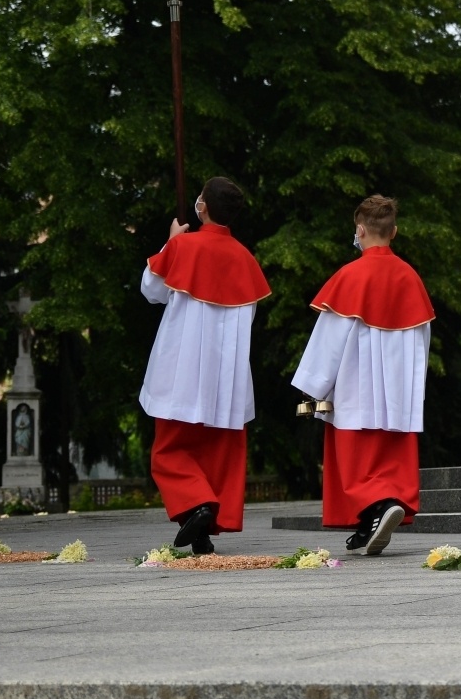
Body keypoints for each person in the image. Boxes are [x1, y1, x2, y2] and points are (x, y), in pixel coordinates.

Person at [292, 195, 433, 557]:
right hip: (398, 390)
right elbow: (422, 340)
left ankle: (379, 506)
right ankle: (367, 524)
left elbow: (329, 341)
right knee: (389, 453)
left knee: (355, 457)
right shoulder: (411, 278)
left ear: (360, 230)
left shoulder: (349, 276)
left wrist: (314, 390)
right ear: (394, 232)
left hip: (356, 386)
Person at [139, 177, 270, 554]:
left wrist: (171, 241)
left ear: (203, 207)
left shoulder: (183, 246)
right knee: (218, 451)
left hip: (181, 368)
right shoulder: (246, 259)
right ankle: (202, 529)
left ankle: (196, 506)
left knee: (171, 450)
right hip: (226, 374)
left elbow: (151, 290)